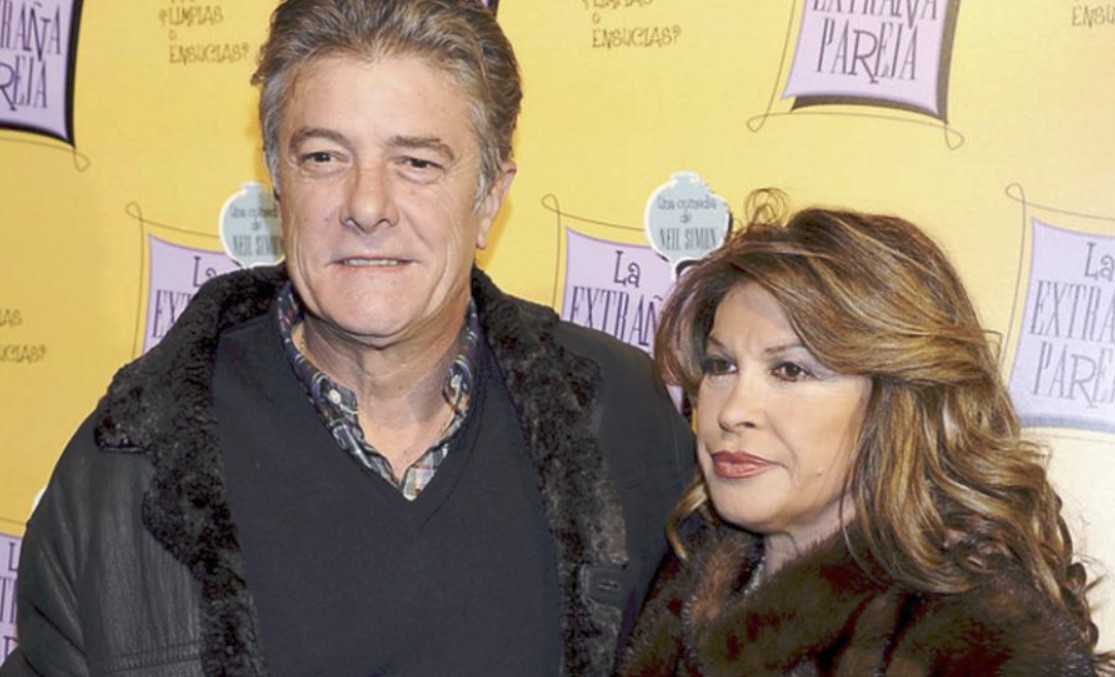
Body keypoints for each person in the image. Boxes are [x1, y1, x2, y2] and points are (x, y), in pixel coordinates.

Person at [0, 1, 692, 675]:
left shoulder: (619, 423)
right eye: (325, 157)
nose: (366, 205)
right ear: (277, 183)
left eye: (416, 162)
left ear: (488, 197)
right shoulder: (128, 466)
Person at [618, 190, 1113, 676]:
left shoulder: (981, 645)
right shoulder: (668, 584)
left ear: (894, 404)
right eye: (720, 365)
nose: (732, 412)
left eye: (790, 370)